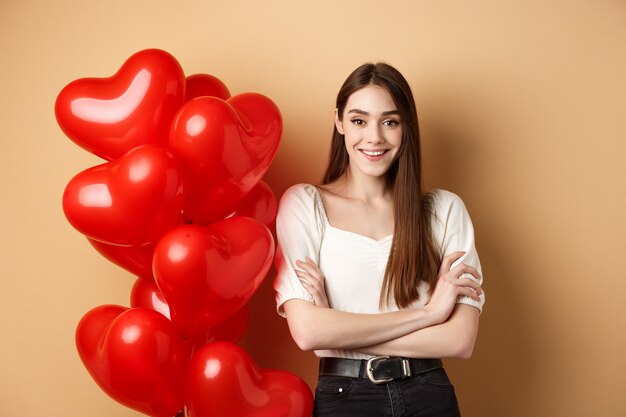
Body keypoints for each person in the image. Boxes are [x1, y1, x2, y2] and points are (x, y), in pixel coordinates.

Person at [273, 62, 484, 417]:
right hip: (346, 397)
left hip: (428, 394)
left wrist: (337, 331)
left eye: (390, 121)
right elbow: (309, 332)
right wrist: (430, 313)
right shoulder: (305, 204)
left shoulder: (444, 210)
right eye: (359, 120)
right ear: (339, 121)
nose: (374, 137)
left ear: (406, 128)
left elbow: (459, 340)